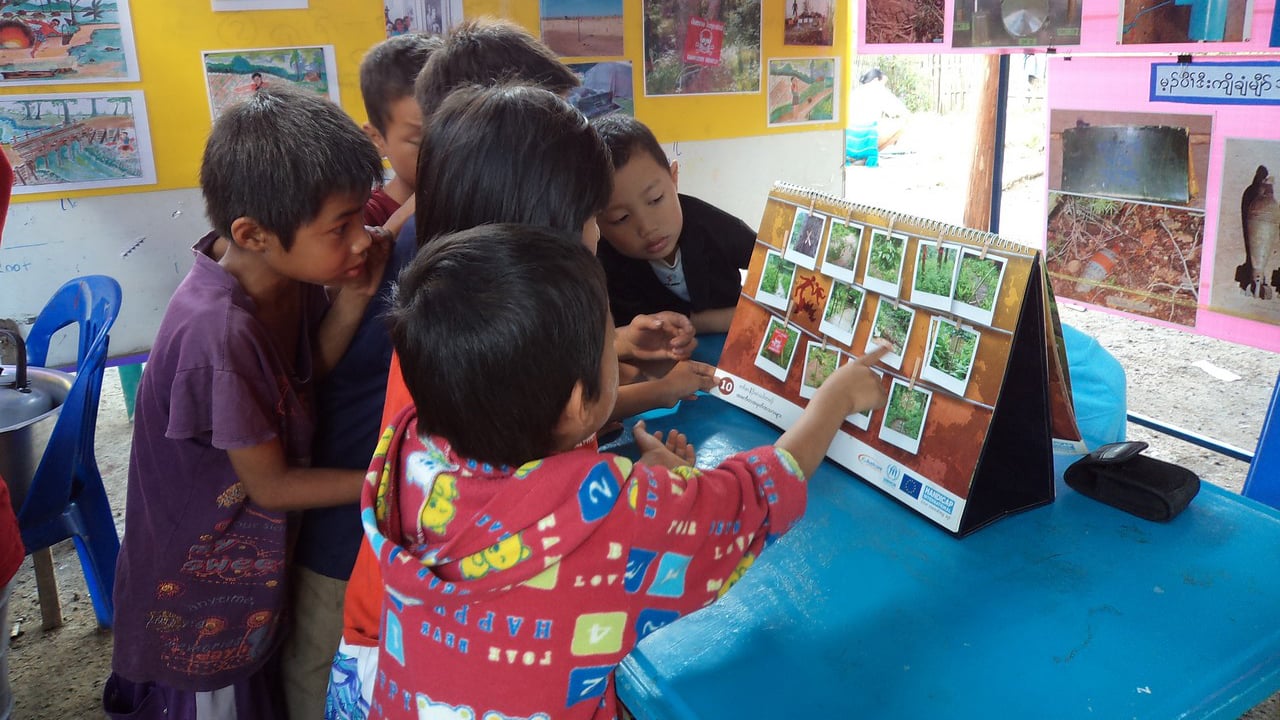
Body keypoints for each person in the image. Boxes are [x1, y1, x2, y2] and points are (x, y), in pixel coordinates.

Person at [365, 223, 890, 720]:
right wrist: (832, 403)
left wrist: (652, 491)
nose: (617, 348)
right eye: (607, 345)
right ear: (576, 405)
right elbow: (751, 498)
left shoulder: (415, 447)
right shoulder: (613, 513)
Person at [326, 82, 713, 719]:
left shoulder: (447, 325)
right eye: (592, 222)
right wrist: (628, 498)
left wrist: (613, 350)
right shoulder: (453, 360)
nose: (597, 239)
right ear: (540, 231)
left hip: (421, 638)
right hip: (440, 665)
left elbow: (544, 422)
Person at [103, 85, 387, 720]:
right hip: (201, 587)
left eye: (362, 218)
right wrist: (396, 477)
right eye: (341, 228)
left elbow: (302, 375)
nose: (364, 239)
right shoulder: (218, 334)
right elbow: (274, 487)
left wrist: (355, 297)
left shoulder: (286, 274)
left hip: (248, 569)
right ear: (252, 233)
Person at [281, 32, 440, 720]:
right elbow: (306, 369)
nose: (438, 158)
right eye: (419, 139)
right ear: (377, 136)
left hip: (397, 485)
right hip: (344, 473)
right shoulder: (357, 222)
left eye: (452, 138)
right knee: (321, 653)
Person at [592, 114, 757, 336]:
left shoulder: (709, 223)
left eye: (656, 199)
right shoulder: (603, 265)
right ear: (595, 222)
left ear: (674, 177)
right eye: (621, 218)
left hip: (736, 331)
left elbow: (768, 261)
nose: (647, 227)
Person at [846, 68, 910, 166]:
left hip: (848, 142)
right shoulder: (879, 89)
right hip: (866, 137)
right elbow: (902, 111)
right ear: (876, 80)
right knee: (903, 124)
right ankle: (866, 156)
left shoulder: (855, 91)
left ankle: (855, 157)